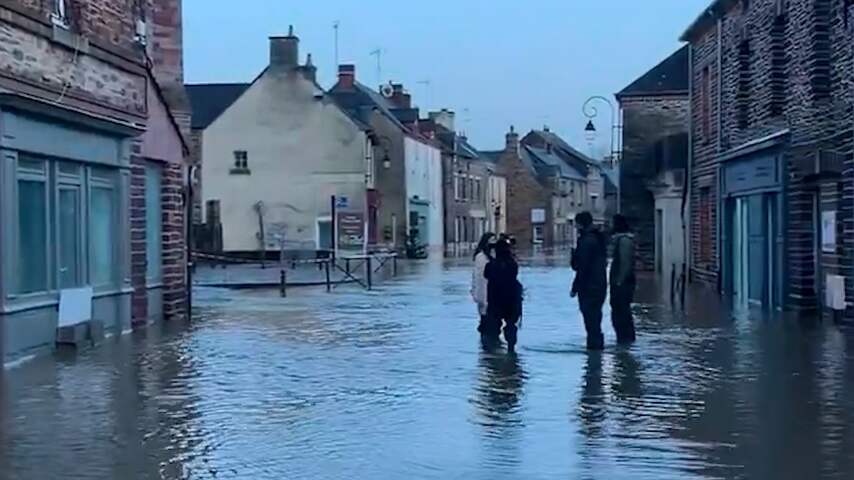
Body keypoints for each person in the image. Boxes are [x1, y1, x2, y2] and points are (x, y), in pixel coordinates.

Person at [571, 211, 608, 350]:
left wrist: (575, 287)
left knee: (591, 319)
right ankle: (596, 348)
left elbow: (581, 267)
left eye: (576, 224)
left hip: (589, 286)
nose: (575, 227)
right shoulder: (597, 238)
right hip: (599, 284)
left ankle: (594, 348)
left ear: (581, 224)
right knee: (595, 318)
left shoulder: (587, 241)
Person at [484, 239, 523, 351]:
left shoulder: (491, 265)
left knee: (493, 326)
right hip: (511, 299)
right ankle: (511, 348)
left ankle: (494, 351)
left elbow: (486, 275)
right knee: (511, 324)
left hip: (495, 300)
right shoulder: (513, 264)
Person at [610, 214, 637, 344]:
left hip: (622, 284)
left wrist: (619, 281)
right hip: (621, 283)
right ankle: (624, 338)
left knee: (621, 312)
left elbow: (625, 262)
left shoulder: (624, 241)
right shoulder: (621, 240)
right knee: (620, 311)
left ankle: (625, 339)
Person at [472, 232, 496, 334]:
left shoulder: (494, 255)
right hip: (484, 293)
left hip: (493, 293)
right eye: (491, 241)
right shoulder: (481, 257)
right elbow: (478, 277)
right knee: (485, 318)